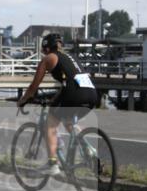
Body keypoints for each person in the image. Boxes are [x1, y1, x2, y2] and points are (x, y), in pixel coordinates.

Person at [16, 33, 98, 175]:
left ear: (47, 48)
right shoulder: (71, 57)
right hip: (91, 94)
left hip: (74, 94)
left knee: (51, 123)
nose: (43, 52)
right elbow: (69, 82)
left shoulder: (49, 59)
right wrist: (54, 99)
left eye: (43, 49)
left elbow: (33, 87)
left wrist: (23, 100)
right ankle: (88, 149)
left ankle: (52, 164)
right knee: (67, 122)